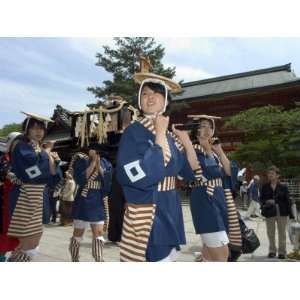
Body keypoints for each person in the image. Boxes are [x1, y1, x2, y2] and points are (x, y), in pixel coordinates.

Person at [116, 65, 199, 262]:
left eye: (156, 94)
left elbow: (191, 173)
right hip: (148, 206)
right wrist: (160, 133)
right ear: (139, 100)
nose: (150, 97)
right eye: (145, 94)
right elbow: (144, 174)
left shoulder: (170, 136)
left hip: (171, 204)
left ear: (166, 101)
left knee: (170, 258)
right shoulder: (134, 132)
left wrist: (186, 141)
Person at [175, 115, 242, 262]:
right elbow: (211, 172)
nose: (207, 129)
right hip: (205, 199)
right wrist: (208, 150)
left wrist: (219, 151)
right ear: (195, 130)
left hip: (219, 199)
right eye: (203, 126)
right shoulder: (193, 150)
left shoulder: (214, 152)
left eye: (210, 126)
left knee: (210, 251)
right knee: (222, 252)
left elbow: (231, 173)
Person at [7, 112, 62, 262]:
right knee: (29, 244)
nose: (39, 132)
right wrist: (48, 153)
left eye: (41, 128)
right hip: (25, 197)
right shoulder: (22, 147)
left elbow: (53, 176)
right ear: (27, 130)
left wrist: (53, 160)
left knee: (31, 244)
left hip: (40, 196)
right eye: (34, 128)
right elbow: (33, 172)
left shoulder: (40, 150)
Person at [68, 144, 112, 262]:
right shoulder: (82, 160)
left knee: (98, 232)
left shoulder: (106, 163)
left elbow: (107, 182)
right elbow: (80, 179)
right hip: (84, 197)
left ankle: (99, 259)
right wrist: (92, 164)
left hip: (97, 198)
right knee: (78, 232)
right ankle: (75, 258)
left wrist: (98, 165)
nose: (96, 151)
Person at [261, 165, 294, 259]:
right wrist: (266, 202)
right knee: (270, 232)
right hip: (269, 210)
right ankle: (272, 251)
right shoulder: (265, 186)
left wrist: (291, 214)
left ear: (277, 175)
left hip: (282, 211)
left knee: (282, 232)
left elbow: (288, 200)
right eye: (269, 174)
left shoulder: (283, 186)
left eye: (272, 174)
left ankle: (282, 252)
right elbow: (262, 199)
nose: (270, 175)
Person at [0, 132, 22, 262]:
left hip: (19, 202)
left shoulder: (24, 159)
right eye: (17, 142)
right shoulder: (3, 157)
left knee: (18, 234)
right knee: (4, 231)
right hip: (4, 200)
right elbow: (4, 172)